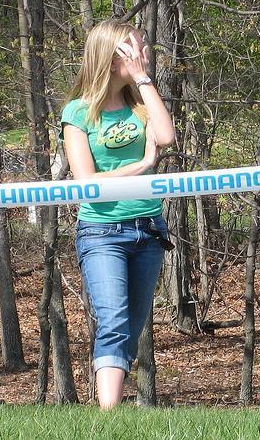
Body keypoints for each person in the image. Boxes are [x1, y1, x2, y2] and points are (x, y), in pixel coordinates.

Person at [61, 20, 175, 409]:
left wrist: (144, 78)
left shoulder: (141, 105)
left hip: (148, 230)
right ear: (111, 59)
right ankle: (109, 420)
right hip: (102, 232)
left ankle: (114, 416)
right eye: (133, 50)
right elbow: (86, 180)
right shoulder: (77, 112)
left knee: (129, 329)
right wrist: (141, 166)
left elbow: (165, 137)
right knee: (112, 320)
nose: (142, 55)